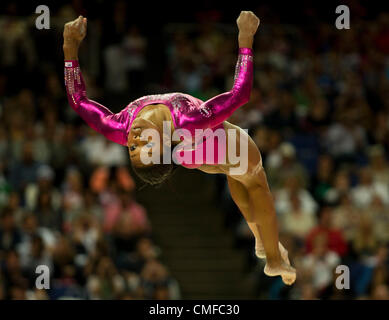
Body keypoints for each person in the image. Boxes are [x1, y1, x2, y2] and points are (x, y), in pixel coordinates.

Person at [63, 12, 296, 285]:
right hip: (208, 145)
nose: (135, 138)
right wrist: (245, 38)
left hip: (189, 156)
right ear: (163, 142)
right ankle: (273, 258)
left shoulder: (121, 128)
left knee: (234, 176)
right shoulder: (190, 120)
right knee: (255, 183)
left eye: (133, 147)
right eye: (146, 144)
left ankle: (258, 239)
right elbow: (239, 94)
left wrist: (70, 48)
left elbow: (78, 101)